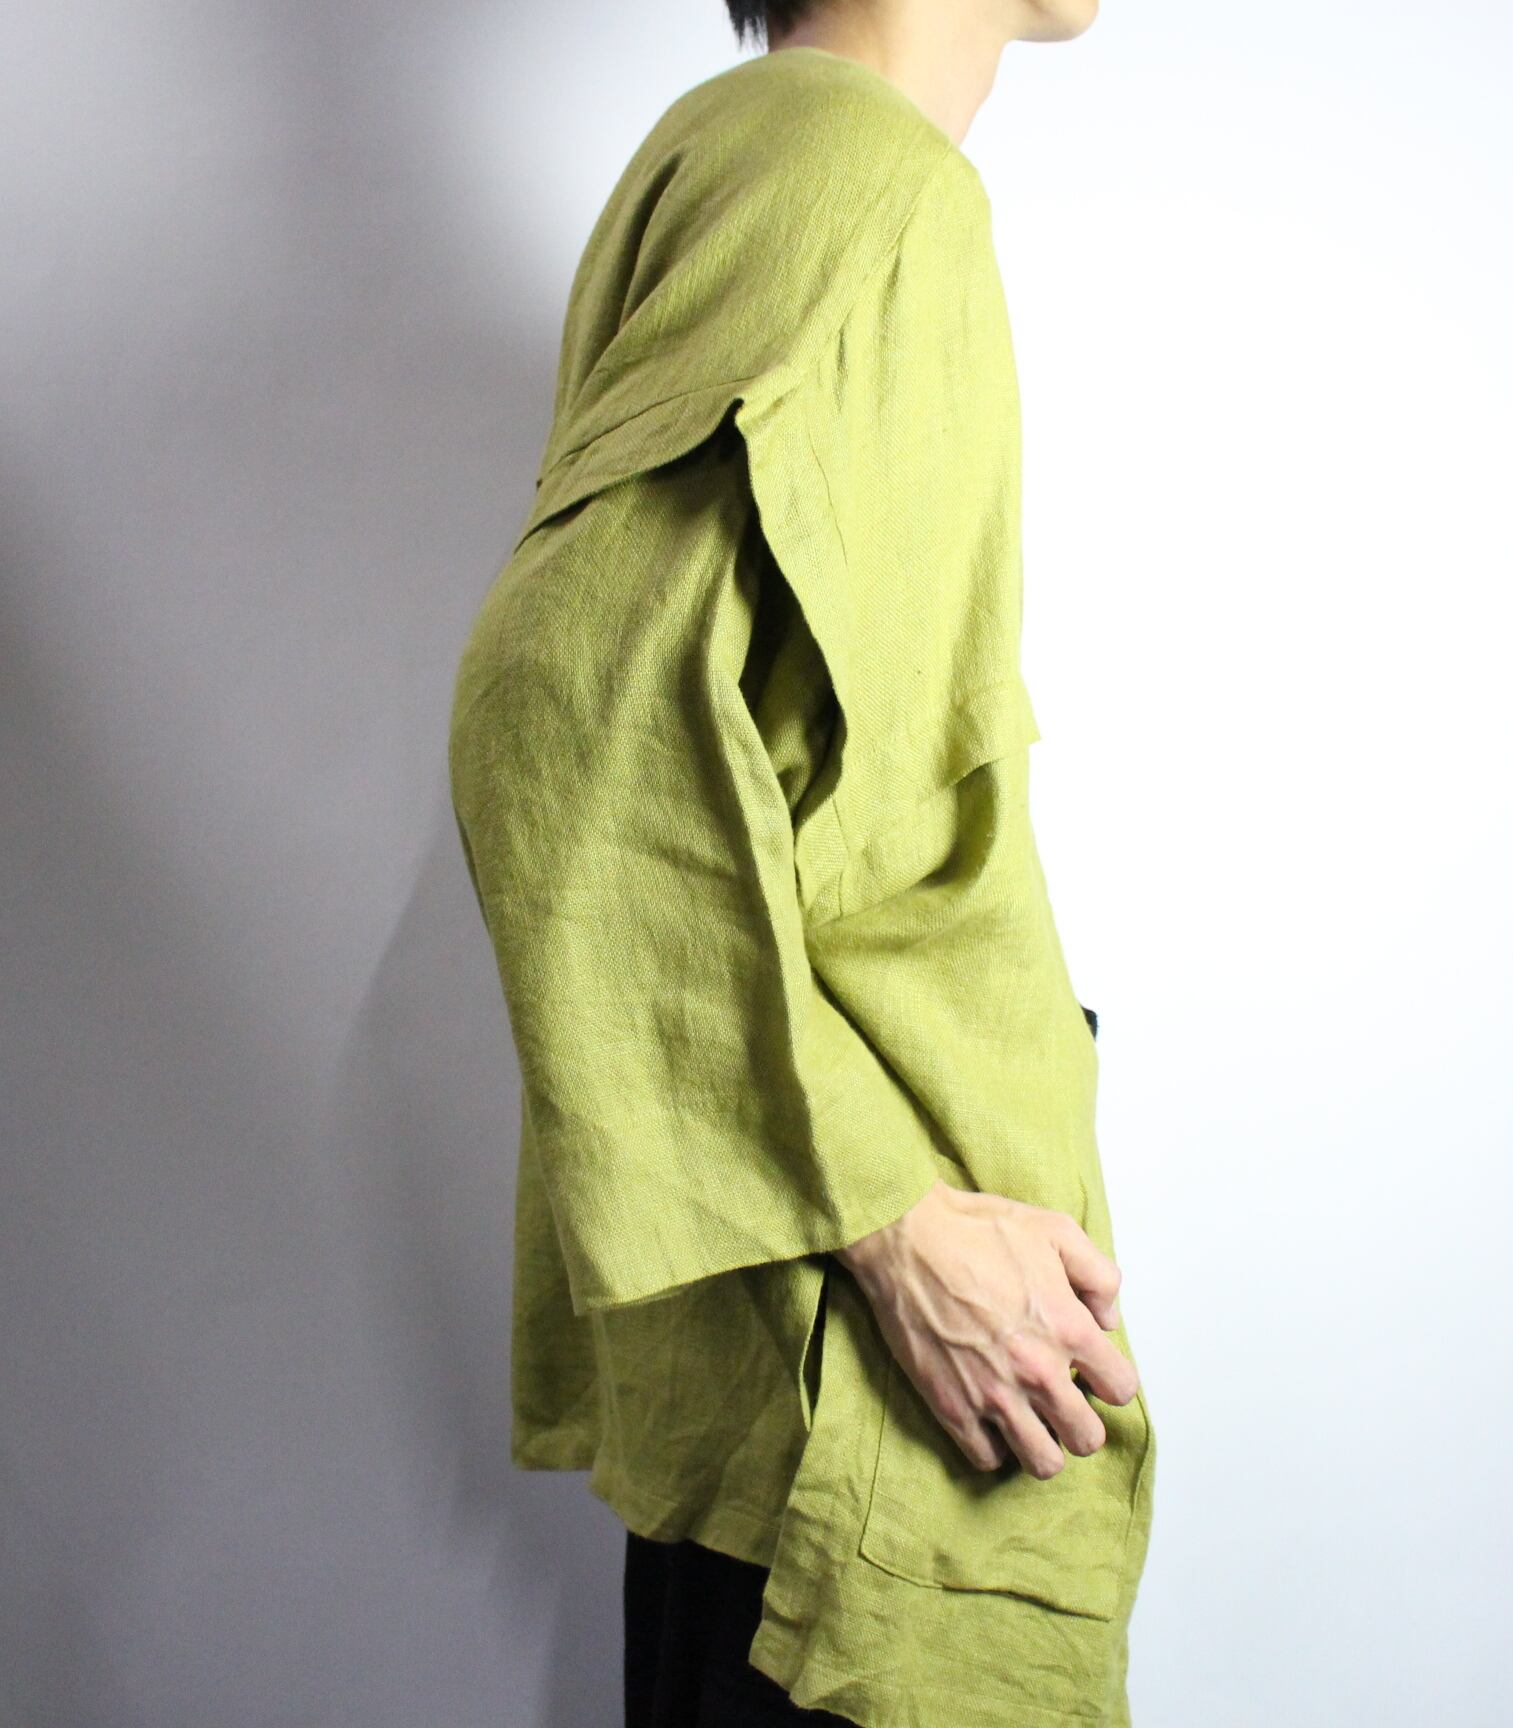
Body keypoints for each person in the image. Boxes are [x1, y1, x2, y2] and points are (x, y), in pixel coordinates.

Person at [446, 2, 1157, 1722]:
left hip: (827, 1354)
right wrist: (888, 1217)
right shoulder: (857, 177)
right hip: (884, 1365)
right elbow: (559, 710)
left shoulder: (743, 152)